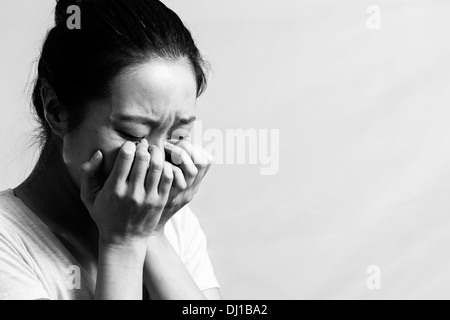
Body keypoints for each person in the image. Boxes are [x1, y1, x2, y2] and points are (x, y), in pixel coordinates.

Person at [0, 0, 222, 300]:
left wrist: (153, 234)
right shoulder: (8, 242)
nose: (156, 161)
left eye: (178, 134)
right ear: (56, 111)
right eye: (133, 134)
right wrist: (123, 242)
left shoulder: (171, 220)